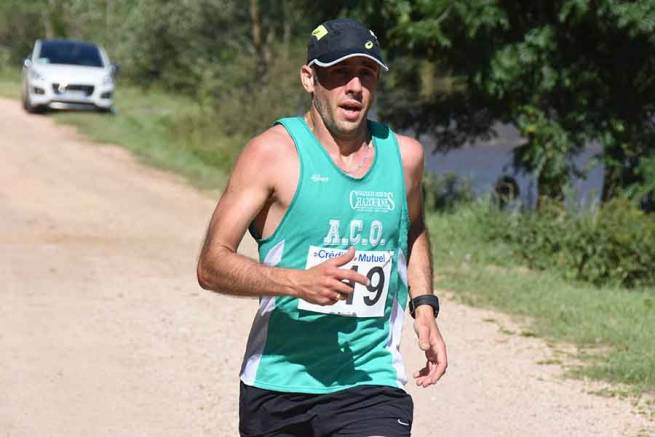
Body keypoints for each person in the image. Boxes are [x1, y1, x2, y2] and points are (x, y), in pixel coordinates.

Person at [197, 17, 447, 437]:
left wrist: (424, 304)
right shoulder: (272, 155)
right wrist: (297, 283)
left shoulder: (404, 158)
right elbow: (211, 264)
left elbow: (414, 228)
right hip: (277, 384)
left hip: (370, 381)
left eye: (366, 74)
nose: (355, 87)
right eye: (339, 73)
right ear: (310, 79)